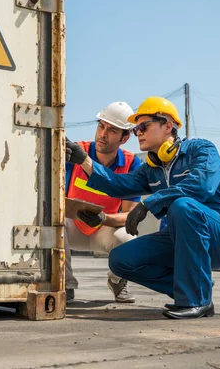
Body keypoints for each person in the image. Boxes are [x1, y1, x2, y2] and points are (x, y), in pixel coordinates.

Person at [65, 96, 220, 319]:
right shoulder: (151, 168)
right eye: (136, 128)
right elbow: (117, 184)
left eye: (144, 126)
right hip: (178, 238)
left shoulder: (202, 150)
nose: (138, 132)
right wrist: (84, 161)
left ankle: (197, 300)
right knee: (121, 260)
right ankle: (195, 286)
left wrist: (150, 202)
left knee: (183, 205)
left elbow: (201, 186)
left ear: (168, 125)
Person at [65, 101, 143, 303]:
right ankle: (65, 285)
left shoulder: (131, 164)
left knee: (129, 237)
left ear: (125, 137)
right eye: (101, 126)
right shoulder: (76, 153)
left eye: (112, 130)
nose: (103, 134)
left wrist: (103, 218)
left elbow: (129, 215)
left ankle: (117, 281)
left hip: (103, 228)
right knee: (53, 226)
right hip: (72, 227)